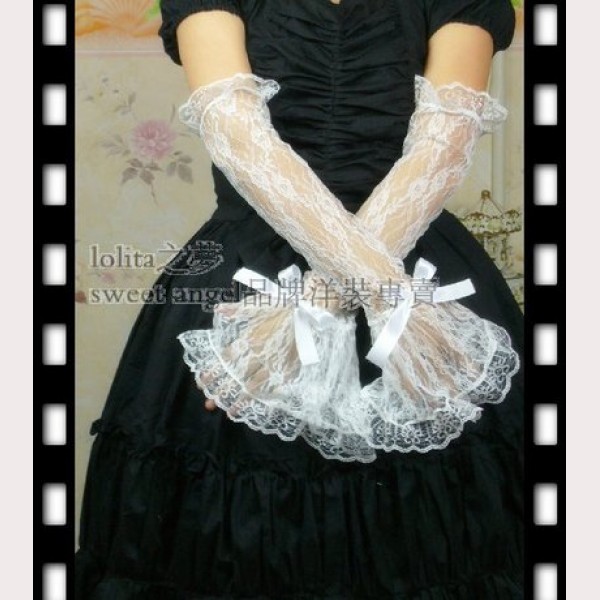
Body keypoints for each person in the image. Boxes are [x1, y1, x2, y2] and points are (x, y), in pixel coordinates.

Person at [75, 1, 524, 598]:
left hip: (410, 254)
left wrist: (322, 306)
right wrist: (380, 292)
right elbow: (236, 131)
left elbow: (444, 143)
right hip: (262, 271)